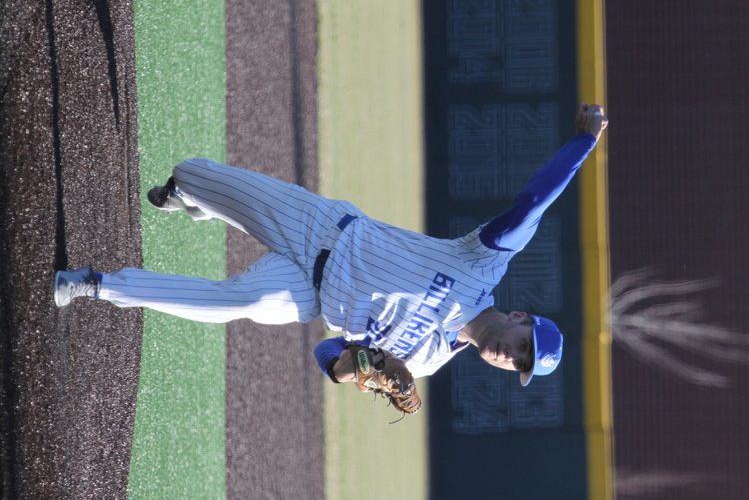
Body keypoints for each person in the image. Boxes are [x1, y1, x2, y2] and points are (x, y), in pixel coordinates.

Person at [54, 104, 607, 388]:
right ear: (519, 316)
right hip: (319, 228)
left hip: (306, 295)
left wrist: (361, 366)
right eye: (523, 343)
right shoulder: (481, 265)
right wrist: (583, 139)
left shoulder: (427, 363)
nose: (512, 356)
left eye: (521, 365)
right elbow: (532, 204)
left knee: (235, 304)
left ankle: (97, 286)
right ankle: (189, 196)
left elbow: (326, 356)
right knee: (189, 173)